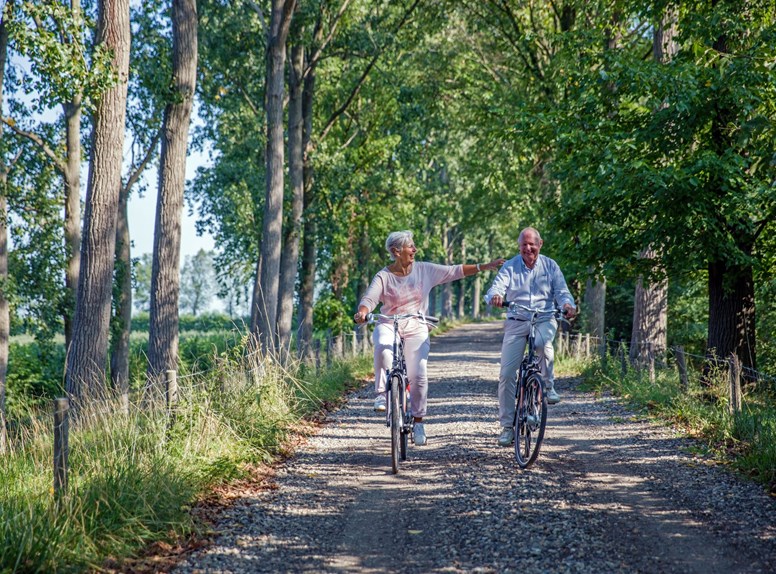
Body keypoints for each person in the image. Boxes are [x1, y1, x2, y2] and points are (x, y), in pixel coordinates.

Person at [354, 230, 505, 446]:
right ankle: (381, 394)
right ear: (396, 251)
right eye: (410, 247)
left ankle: (418, 422)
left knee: (419, 373)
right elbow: (369, 298)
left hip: (416, 324)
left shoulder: (424, 270)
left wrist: (485, 266)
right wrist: (362, 312)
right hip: (389, 322)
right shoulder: (383, 276)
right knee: (383, 348)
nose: (414, 250)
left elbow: (455, 271)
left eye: (414, 246)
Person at [484, 227, 576, 447]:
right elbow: (497, 286)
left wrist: (567, 304)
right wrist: (495, 296)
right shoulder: (510, 266)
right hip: (517, 320)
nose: (528, 248)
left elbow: (562, 291)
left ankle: (548, 385)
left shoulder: (551, 266)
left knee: (543, 343)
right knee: (507, 374)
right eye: (524, 245)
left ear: (540, 244)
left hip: (544, 318)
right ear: (519, 246)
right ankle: (507, 427)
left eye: (532, 244)